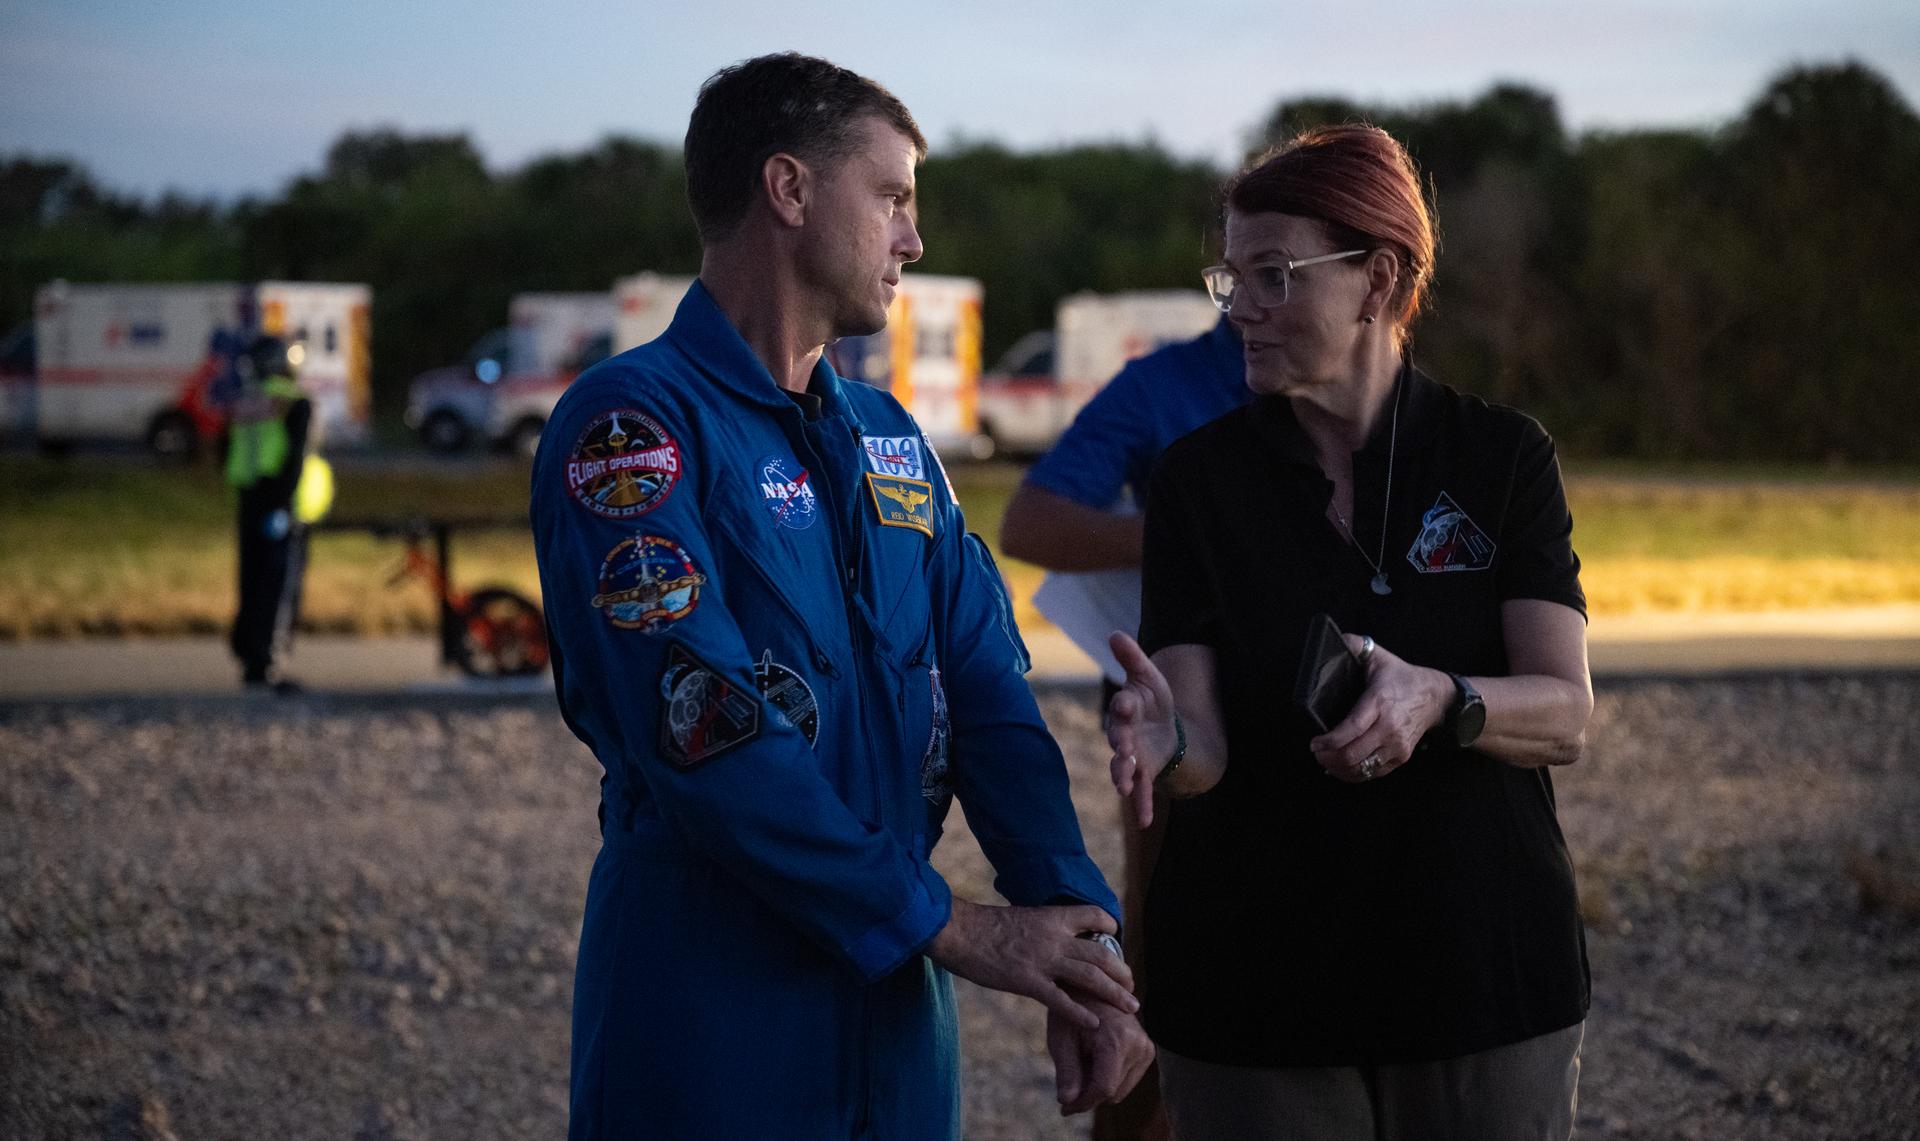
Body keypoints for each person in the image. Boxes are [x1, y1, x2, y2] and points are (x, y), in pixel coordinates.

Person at [529, 53, 1153, 1140]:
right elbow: (709, 740)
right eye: (895, 196)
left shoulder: (892, 439)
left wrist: (1080, 936)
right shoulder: (632, 431)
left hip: (897, 1019)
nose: (915, 238)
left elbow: (990, 696)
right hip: (712, 1006)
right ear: (789, 188)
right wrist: (958, 929)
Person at [1105, 124, 1594, 1141]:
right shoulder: (1201, 482)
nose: (1238, 308)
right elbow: (1202, 740)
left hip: (1481, 980)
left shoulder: (1501, 457)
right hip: (1256, 998)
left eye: (1274, 274)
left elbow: (1564, 712)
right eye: (1229, 276)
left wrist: (1438, 698)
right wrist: (1164, 741)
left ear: (1377, 279)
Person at [1000, 314, 1244, 1141]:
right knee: (1167, 963)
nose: (1261, 289)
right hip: (1178, 738)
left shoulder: (1358, 388)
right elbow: (1029, 521)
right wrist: (1185, 534)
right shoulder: (1166, 387)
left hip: (1331, 729)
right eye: (1246, 266)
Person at [225, 333, 312, 694]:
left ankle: (247, 651)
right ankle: (266, 660)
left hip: (247, 498)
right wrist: (284, 502)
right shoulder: (294, 401)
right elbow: (294, 460)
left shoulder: (244, 401)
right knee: (277, 584)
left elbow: (224, 450)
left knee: (249, 578)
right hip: (278, 503)